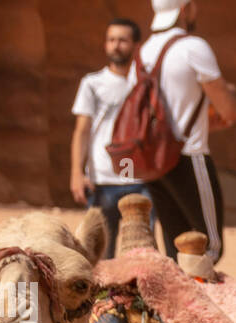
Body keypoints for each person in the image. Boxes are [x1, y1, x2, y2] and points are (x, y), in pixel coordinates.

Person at [139, 0, 236, 264]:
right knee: (208, 248)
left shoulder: (144, 52)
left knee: (176, 248)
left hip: (155, 161)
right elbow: (228, 110)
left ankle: (178, 304)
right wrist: (229, 95)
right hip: (188, 155)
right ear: (185, 10)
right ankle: (196, 304)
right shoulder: (193, 47)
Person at [70, 18, 148, 260]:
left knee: (144, 253)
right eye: (111, 40)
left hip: (142, 180)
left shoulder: (147, 84)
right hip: (103, 180)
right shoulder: (92, 83)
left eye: (123, 40)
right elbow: (81, 130)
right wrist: (76, 173)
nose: (116, 46)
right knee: (102, 256)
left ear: (136, 45)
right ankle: (105, 300)